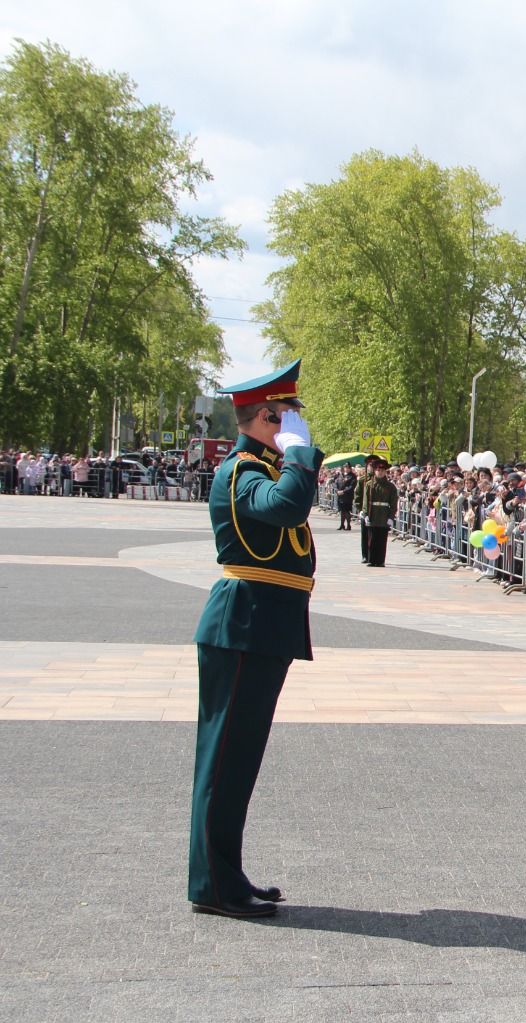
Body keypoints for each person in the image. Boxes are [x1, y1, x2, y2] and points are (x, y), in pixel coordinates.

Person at [189, 359, 323, 920]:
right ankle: (214, 886)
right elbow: (287, 507)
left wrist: (291, 456)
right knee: (225, 762)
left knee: (239, 762)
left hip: (262, 624)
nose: (295, 422)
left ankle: (226, 875)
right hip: (243, 622)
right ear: (266, 416)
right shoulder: (246, 471)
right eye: (287, 413)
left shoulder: (264, 467)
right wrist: (297, 455)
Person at [364, 458, 398, 567]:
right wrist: (365, 514)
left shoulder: (391, 486)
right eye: (378, 470)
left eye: (383, 470)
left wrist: (391, 517)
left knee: (382, 540)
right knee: (372, 539)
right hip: (373, 513)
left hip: (383, 514)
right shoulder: (369, 484)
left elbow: (393, 503)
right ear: (375, 471)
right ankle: (371, 560)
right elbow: (366, 500)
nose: (380, 472)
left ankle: (380, 561)